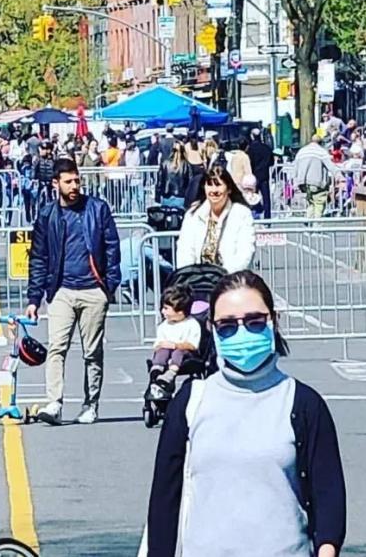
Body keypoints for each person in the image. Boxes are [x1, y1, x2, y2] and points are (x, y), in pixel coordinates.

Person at [145, 269, 346, 557]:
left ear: (273, 321)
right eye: (227, 325)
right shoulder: (191, 401)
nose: (241, 332)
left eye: (254, 321)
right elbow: (164, 500)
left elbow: (328, 498)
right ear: (212, 330)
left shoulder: (303, 404)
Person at [25, 157, 121, 425]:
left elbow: (112, 247)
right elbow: (39, 257)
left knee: (92, 352)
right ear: (56, 184)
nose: (74, 185)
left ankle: (91, 404)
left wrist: (109, 286)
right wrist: (34, 297)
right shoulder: (48, 214)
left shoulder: (97, 209)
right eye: (68, 181)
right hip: (62, 291)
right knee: (57, 347)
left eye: (77, 180)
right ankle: (54, 402)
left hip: (93, 289)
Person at [176, 164, 256, 273]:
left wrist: (223, 278)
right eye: (209, 185)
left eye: (218, 185)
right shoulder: (192, 215)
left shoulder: (242, 214)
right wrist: (190, 277)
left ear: (229, 189)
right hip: (198, 283)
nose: (214, 190)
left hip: (232, 283)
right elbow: (184, 252)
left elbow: (245, 254)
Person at [149, 282, 201, 390]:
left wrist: (175, 345)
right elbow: (158, 343)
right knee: (162, 351)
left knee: (178, 352)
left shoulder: (192, 324)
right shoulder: (165, 325)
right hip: (167, 353)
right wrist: (161, 345)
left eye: (166, 308)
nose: (163, 312)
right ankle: (157, 369)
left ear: (180, 312)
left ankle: (171, 373)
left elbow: (193, 345)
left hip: (185, 353)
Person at [293, 135, 337, 219]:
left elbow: (295, 167)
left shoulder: (301, 151)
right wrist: (339, 176)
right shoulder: (321, 151)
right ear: (321, 143)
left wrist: (295, 181)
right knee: (319, 204)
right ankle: (316, 227)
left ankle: (309, 226)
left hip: (303, 182)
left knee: (310, 203)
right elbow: (331, 166)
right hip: (317, 182)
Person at [247, 131, 275, 220]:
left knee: (253, 198)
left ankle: (255, 215)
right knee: (266, 198)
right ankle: (267, 218)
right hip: (264, 175)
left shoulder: (250, 149)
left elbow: (249, 162)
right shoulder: (266, 148)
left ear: (252, 136)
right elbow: (271, 162)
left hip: (253, 176)